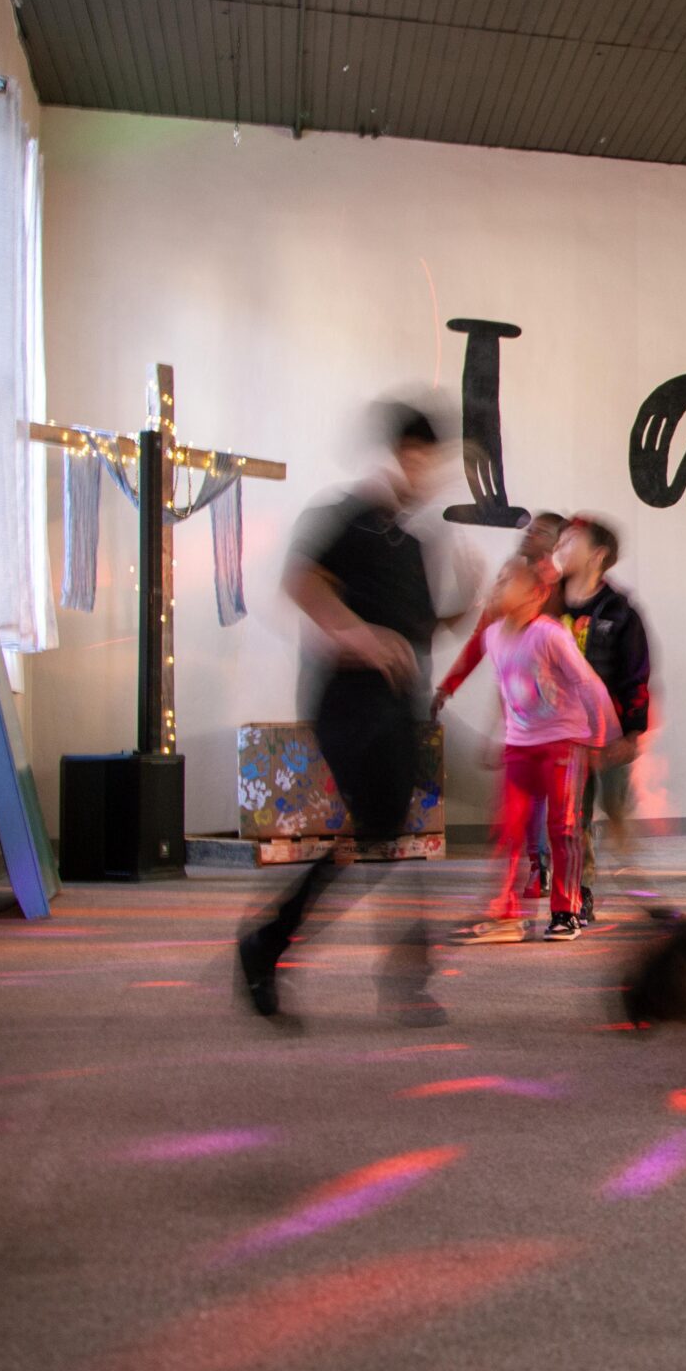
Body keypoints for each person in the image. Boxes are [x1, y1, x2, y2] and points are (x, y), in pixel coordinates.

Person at [237, 403, 454, 1028]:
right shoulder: (348, 518)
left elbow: (415, 630)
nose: (426, 471)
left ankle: (275, 943)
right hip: (351, 702)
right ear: (396, 456)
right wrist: (356, 635)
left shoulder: (415, 541)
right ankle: (397, 974)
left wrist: (468, 612)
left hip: (399, 706)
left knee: (384, 832)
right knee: (383, 829)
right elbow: (300, 584)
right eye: (419, 457)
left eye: (433, 462)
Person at [453, 555, 618, 943]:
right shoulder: (494, 635)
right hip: (521, 744)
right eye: (498, 578)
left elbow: (588, 684)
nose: (497, 586)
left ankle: (566, 911)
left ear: (535, 594)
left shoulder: (549, 635)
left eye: (507, 581)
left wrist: (600, 736)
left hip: (562, 740)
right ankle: (507, 914)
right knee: (509, 827)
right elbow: (508, 689)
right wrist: (502, 734)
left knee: (562, 829)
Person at [434, 512, 567, 898]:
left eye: (542, 530)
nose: (531, 533)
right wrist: (449, 686)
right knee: (521, 794)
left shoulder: (560, 588)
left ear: (556, 544)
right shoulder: (512, 577)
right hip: (520, 708)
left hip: (557, 711)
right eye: (531, 527)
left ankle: (566, 882)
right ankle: (533, 865)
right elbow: (482, 638)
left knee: (557, 799)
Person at [554, 515, 654, 885]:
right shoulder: (547, 601)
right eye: (559, 542)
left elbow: (636, 674)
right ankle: (581, 888)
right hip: (562, 730)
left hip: (607, 730)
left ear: (597, 555)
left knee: (613, 806)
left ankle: (625, 858)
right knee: (572, 815)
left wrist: (631, 733)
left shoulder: (620, 611)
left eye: (570, 542)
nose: (559, 549)